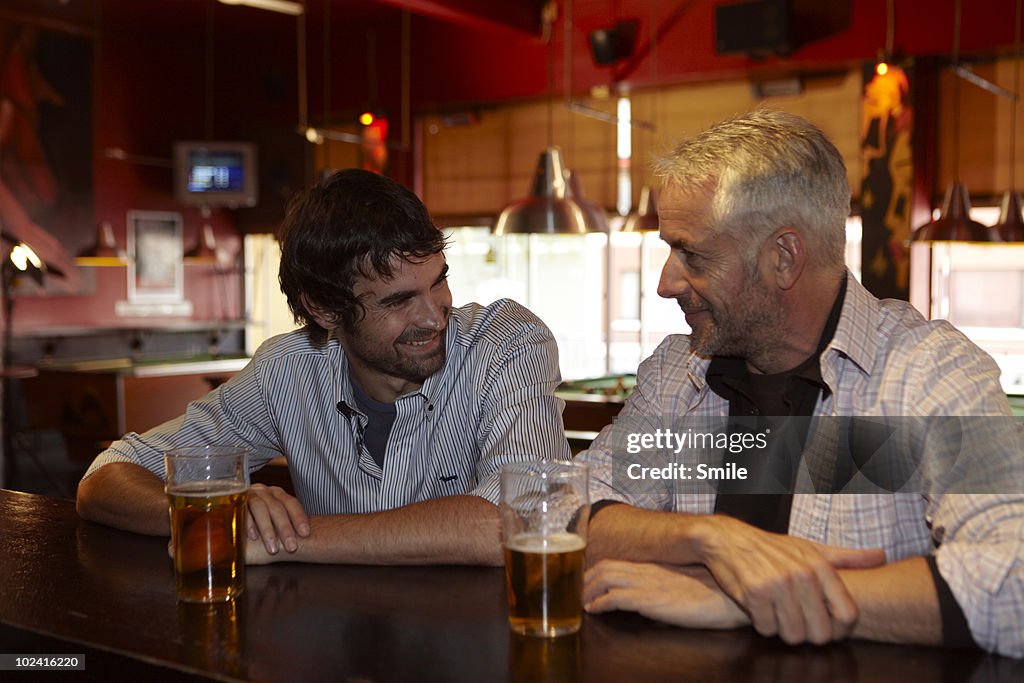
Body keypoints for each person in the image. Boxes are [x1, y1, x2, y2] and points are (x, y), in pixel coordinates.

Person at [577, 109, 1024, 658]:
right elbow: (572, 506)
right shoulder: (679, 371)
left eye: (691, 253)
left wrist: (742, 600)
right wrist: (707, 539)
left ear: (783, 258)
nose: (666, 283)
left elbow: (1014, 581)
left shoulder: (929, 372)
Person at [77, 168, 571, 566]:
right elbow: (107, 476)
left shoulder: (505, 344)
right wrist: (217, 512)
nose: (433, 314)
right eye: (399, 301)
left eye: (438, 282)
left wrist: (280, 538)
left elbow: (518, 519)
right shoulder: (288, 370)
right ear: (325, 310)